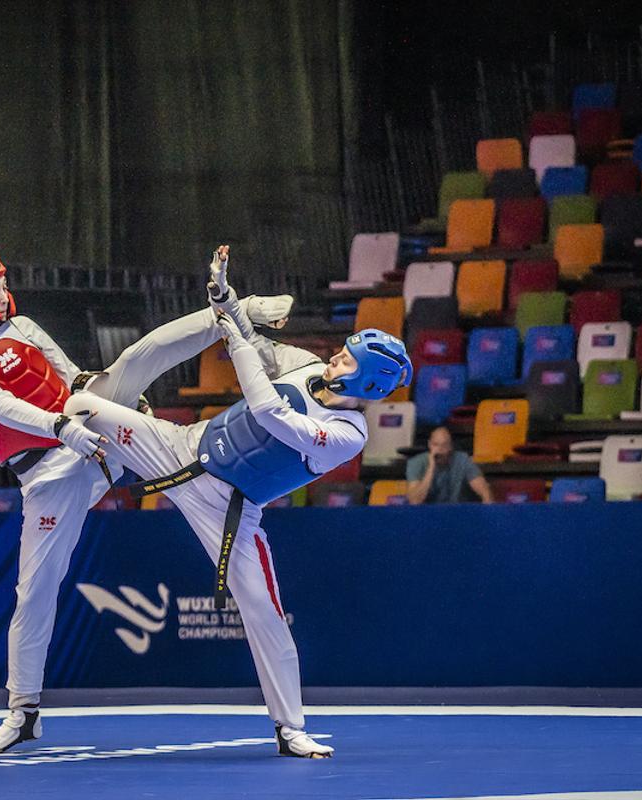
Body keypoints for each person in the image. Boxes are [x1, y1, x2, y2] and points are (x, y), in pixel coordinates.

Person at [0, 246, 289, 754]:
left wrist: (113, 405)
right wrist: (60, 428)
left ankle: (235, 311)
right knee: (34, 592)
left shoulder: (26, 326)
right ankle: (23, 712)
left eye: (1, 282)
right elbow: (0, 405)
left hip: (92, 429)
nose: (3, 292)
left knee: (131, 362)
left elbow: (73, 377)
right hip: (51, 472)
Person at [62, 249, 412, 758]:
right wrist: (223, 297)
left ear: (365, 382)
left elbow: (270, 413)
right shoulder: (307, 365)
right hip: (180, 447)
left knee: (265, 610)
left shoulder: (347, 434)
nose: (336, 355)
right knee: (80, 406)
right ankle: (100, 477)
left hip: (228, 508)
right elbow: (249, 340)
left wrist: (241, 341)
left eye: (347, 358)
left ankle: (291, 728)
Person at [405, 426, 494, 505]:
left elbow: (484, 491)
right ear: (429, 445)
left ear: (450, 446)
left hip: (457, 514)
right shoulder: (415, 463)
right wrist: (431, 468)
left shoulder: (463, 460)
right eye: (435, 445)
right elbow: (415, 501)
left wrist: (487, 513)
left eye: (444, 445)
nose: (439, 449)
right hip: (428, 517)